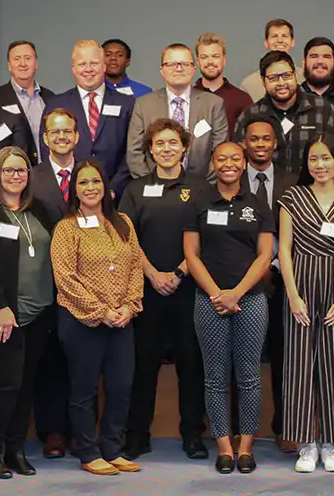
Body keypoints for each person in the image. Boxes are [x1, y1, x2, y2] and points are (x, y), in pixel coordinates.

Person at [118, 118, 210, 461]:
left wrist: (179, 273)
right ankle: (137, 435)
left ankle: (192, 435)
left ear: (184, 147)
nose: (167, 149)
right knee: (143, 366)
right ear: (150, 150)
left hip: (189, 290)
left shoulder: (201, 188)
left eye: (173, 142)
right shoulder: (135, 189)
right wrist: (154, 274)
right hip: (147, 290)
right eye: (160, 144)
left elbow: (205, 237)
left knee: (191, 365)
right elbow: (127, 238)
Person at [183, 141, 275, 474]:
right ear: (213, 163)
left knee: (249, 377)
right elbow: (191, 254)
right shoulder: (199, 201)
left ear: (244, 161)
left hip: (250, 300)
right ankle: (223, 446)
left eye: (235, 158)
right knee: (214, 379)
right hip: (209, 301)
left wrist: (236, 293)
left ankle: (246, 447)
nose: (229, 163)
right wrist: (217, 294)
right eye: (222, 158)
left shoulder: (258, 203)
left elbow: (266, 255)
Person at [279, 136, 334, 473]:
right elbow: (284, 249)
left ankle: (331, 443)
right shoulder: (292, 197)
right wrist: (292, 294)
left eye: (326, 159)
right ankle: (305, 443)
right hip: (299, 283)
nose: (320, 165)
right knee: (299, 365)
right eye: (314, 159)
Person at [0, 146, 56, 478]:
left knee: (26, 384)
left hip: (38, 314)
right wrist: (1, 307)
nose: (16, 176)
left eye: (21, 170)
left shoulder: (40, 210)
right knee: (6, 385)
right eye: (8, 170)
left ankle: (16, 449)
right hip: (2, 314)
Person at [50, 159, 143, 476]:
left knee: (121, 387)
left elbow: (135, 269)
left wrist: (129, 306)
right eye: (83, 183)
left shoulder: (124, 223)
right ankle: (89, 452)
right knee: (83, 390)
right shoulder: (66, 228)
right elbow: (65, 279)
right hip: (82, 322)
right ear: (74, 190)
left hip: (122, 321)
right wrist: (102, 312)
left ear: (106, 186)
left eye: (96, 182)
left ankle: (112, 449)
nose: (90, 188)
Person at [233, 116, 298, 453]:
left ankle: (285, 424)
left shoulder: (292, 180)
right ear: (245, 143)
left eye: (266, 139)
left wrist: (276, 265)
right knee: (240, 357)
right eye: (253, 139)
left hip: (283, 278)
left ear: (276, 143)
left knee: (284, 355)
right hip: (242, 283)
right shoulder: (230, 180)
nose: (260, 144)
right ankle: (236, 427)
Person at [29, 107, 78, 458]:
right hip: (42, 280)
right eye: (54, 132)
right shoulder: (30, 177)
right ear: (45, 137)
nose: (61, 137)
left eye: (67, 132)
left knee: (81, 358)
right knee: (47, 361)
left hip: (83, 281)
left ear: (76, 136)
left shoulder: (90, 175)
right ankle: (53, 431)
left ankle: (80, 429)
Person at [43, 40, 135, 198]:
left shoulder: (127, 104)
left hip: (117, 197)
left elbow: (133, 151)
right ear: (73, 68)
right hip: (70, 196)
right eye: (82, 64)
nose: (88, 69)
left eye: (94, 63)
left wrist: (112, 188)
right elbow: (47, 149)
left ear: (104, 66)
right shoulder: (56, 104)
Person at [127, 43, 228, 181]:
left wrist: (203, 187)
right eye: (172, 64)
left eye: (185, 64)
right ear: (162, 70)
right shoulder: (144, 104)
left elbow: (220, 151)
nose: (178, 69)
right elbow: (134, 152)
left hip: (202, 189)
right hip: (154, 188)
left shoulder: (213, 104)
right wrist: (151, 184)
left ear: (194, 69)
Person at [232, 51, 334, 175]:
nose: (281, 83)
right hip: (267, 191)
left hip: (312, 190)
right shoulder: (251, 115)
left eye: (286, 76)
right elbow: (238, 158)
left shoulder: (322, 109)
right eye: (273, 78)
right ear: (263, 81)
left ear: (295, 75)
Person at [0, 40, 56, 164]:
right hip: (14, 172)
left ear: (36, 63)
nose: (23, 64)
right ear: (9, 66)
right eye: (17, 59)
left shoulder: (50, 98)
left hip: (48, 172)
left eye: (27, 58)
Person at [194, 32, 253, 139]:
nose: (210, 62)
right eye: (204, 57)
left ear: (224, 60)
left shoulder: (242, 99)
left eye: (215, 56)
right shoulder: (188, 97)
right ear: (198, 62)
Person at [239, 19, 304, 101]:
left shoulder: (305, 78)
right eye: (274, 36)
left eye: (284, 36)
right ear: (266, 42)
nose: (280, 40)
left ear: (292, 42)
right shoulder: (249, 84)